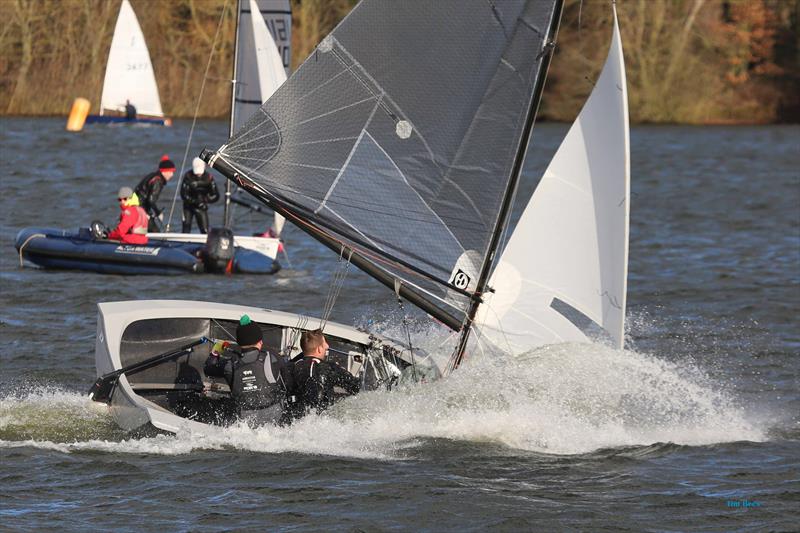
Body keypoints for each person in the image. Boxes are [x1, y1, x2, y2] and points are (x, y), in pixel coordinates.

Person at [204, 315, 287, 424]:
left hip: (245, 421)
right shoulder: (273, 358)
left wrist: (215, 352)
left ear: (239, 343)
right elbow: (287, 382)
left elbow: (208, 370)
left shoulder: (229, 364)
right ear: (260, 342)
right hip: (274, 419)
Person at [290, 329, 360, 418]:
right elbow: (355, 386)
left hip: (292, 420)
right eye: (325, 345)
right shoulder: (327, 367)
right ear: (319, 349)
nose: (327, 346)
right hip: (320, 420)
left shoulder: (289, 367)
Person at [134, 155, 176, 231]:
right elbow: (151, 200)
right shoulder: (158, 181)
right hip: (139, 209)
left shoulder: (153, 175)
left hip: (137, 207)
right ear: (164, 171)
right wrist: (158, 213)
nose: (172, 175)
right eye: (171, 172)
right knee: (155, 231)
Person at [180, 157, 219, 234]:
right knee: (186, 229)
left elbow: (216, 195)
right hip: (188, 206)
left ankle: (206, 243)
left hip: (201, 206)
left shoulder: (209, 177)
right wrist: (195, 202)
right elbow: (183, 194)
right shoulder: (188, 176)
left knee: (205, 230)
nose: (198, 173)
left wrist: (206, 200)